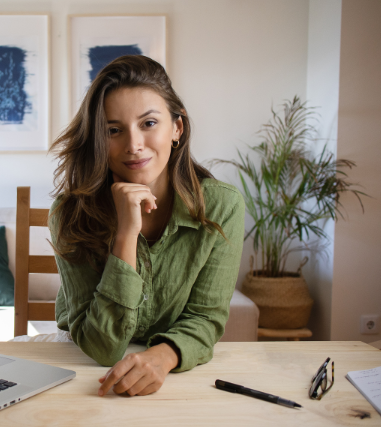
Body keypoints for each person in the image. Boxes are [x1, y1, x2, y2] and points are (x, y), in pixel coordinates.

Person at [48, 55, 245, 397]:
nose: (134, 145)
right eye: (113, 130)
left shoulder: (221, 206)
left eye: (148, 123)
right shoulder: (70, 213)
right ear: (98, 138)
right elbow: (102, 348)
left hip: (179, 376)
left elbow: (205, 319)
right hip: (84, 374)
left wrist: (162, 357)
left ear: (177, 129)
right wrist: (126, 234)